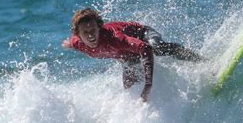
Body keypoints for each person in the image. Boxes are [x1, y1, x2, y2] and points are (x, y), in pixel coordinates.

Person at [62, 8, 205, 102]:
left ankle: (201, 61)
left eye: (93, 30)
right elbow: (72, 42)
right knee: (129, 90)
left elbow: (145, 48)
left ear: (99, 28)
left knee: (157, 48)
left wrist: (148, 85)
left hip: (143, 35)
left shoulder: (115, 39)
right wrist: (68, 45)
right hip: (128, 56)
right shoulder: (77, 43)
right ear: (78, 35)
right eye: (85, 33)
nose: (91, 36)